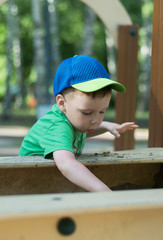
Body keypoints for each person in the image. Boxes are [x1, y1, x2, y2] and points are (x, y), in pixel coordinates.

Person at [19, 55, 138, 192]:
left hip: (50, 182)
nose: (96, 120)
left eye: (102, 111)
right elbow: (66, 163)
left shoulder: (74, 120)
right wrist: (103, 191)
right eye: (87, 112)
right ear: (62, 103)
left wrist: (106, 126)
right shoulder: (58, 126)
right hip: (28, 185)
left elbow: (86, 130)